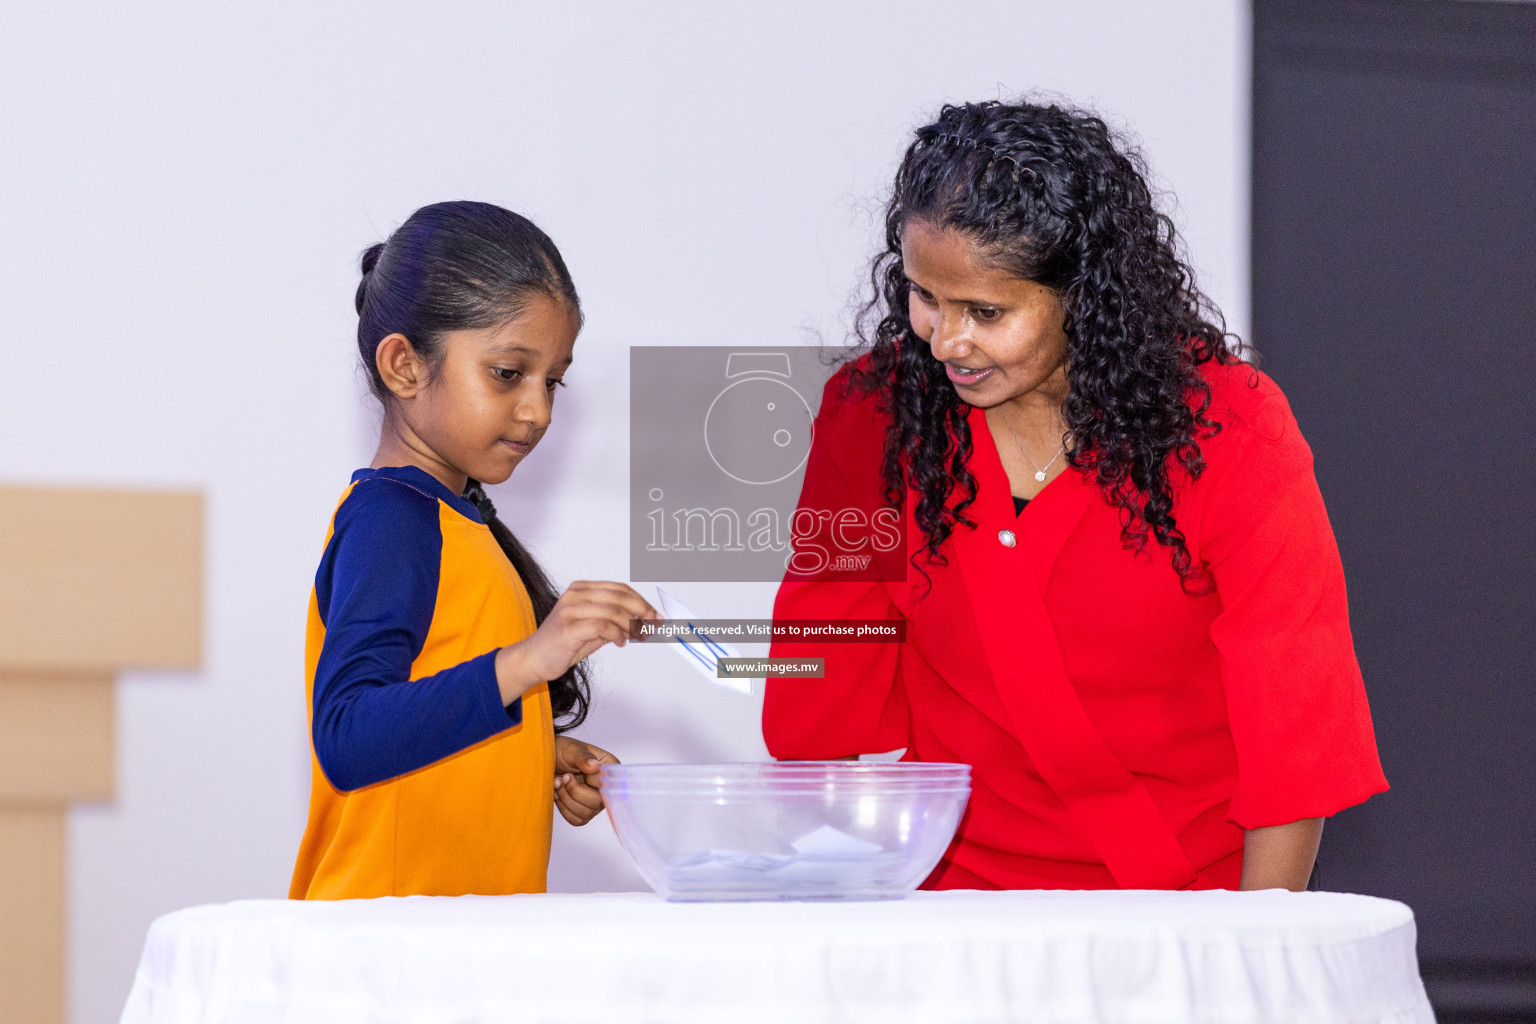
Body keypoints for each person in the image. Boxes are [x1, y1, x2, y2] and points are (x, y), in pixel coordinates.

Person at [762, 101, 1387, 892]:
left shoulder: (1232, 426)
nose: (945, 340)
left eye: (987, 312)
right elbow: (825, 682)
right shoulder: (869, 415)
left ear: (1085, 297)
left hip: (1197, 914)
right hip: (952, 912)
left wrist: (1256, 946)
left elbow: (1294, 721)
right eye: (924, 296)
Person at [290, 201, 658, 900]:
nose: (540, 409)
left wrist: (529, 755)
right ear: (403, 365)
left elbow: (416, 710)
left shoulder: (456, 524)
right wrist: (526, 662)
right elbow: (347, 735)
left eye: (552, 380)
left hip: (442, 950)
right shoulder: (390, 521)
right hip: (384, 957)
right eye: (507, 373)